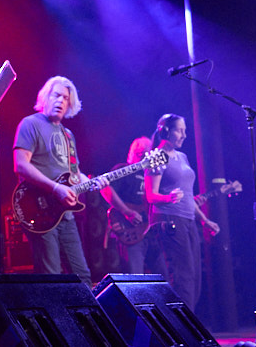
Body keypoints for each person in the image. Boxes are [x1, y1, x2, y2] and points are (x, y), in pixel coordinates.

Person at [12, 75, 93, 286]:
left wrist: (89, 181)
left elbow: (73, 174)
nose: (61, 101)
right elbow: (21, 165)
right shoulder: (30, 124)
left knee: (82, 275)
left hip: (65, 215)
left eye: (66, 98)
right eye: (56, 95)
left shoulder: (68, 135)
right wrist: (55, 188)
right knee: (52, 276)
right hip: (39, 211)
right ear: (46, 97)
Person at [144, 113, 219, 310]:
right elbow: (151, 196)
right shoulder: (157, 157)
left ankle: (188, 325)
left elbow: (187, 195)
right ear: (165, 131)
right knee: (183, 276)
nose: (184, 135)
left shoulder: (183, 157)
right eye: (179, 130)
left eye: (185, 130)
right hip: (169, 220)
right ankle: (184, 332)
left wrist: (204, 219)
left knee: (194, 277)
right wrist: (167, 198)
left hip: (187, 220)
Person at [100, 136, 160, 274]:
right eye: (147, 152)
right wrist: (127, 212)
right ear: (139, 153)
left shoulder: (152, 176)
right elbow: (105, 188)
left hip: (150, 232)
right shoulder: (124, 169)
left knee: (164, 278)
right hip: (130, 232)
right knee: (135, 277)